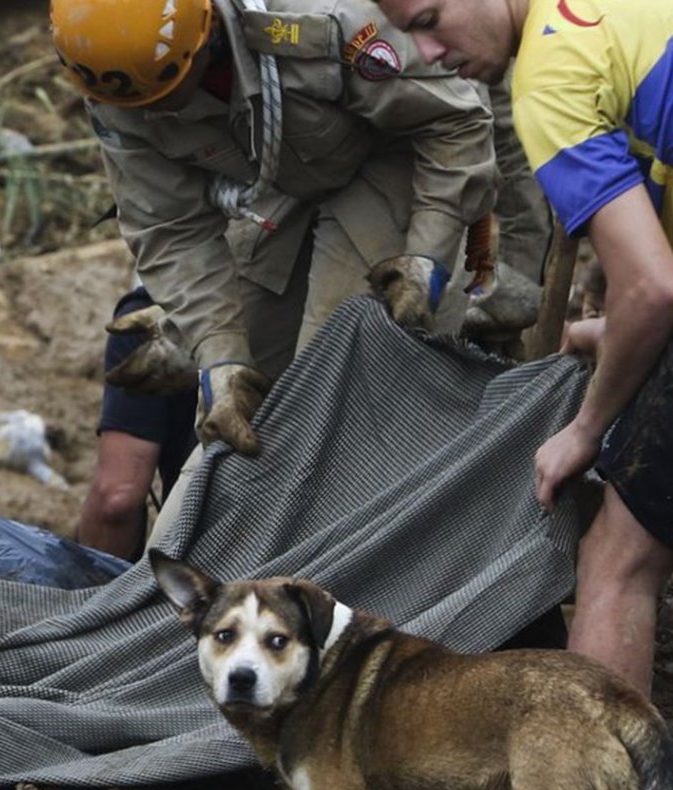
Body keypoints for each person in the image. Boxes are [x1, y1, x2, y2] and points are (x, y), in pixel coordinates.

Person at [373, 0, 673, 697]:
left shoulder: (547, 71)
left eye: (428, 19)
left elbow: (655, 292)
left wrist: (586, 428)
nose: (426, 53)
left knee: (617, 559)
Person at [50, 0, 500, 458]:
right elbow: (170, 228)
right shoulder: (116, 87)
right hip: (278, 183)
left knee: (333, 387)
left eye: (169, 95)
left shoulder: (322, 16)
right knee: (237, 413)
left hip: (395, 159)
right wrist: (219, 355)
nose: (157, 113)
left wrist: (427, 255)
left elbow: (455, 119)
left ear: (208, 38)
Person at [75, 286, 199, 562]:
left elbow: (117, 497)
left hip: (204, 574)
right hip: (308, 560)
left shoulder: (152, 317)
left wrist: (95, 596)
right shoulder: (312, 320)